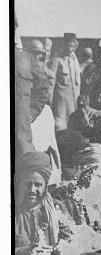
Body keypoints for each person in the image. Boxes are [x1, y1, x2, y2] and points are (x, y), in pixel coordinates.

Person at [14, 152, 93, 255]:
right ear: (19, 183)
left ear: (45, 186)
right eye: (28, 184)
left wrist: (62, 249)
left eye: (38, 185)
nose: (32, 190)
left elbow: (72, 239)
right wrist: (26, 252)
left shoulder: (54, 207)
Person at [27, 40, 62, 185]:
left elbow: (48, 87)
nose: (37, 57)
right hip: (27, 109)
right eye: (34, 54)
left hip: (42, 110)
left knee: (48, 144)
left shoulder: (44, 70)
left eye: (40, 54)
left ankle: (54, 176)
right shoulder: (21, 68)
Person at [51, 33, 82, 131]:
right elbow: (50, 82)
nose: (70, 49)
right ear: (64, 45)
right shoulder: (57, 60)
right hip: (61, 102)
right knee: (61, 127)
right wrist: (49, 101)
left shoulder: (74, 60)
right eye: (68, 46)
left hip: (74, 101)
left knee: (74, 126)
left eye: (72, 47)